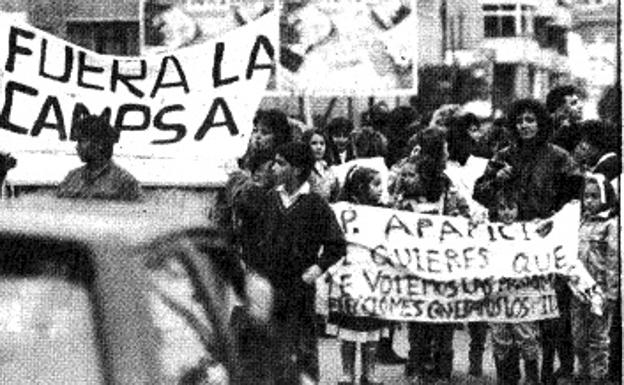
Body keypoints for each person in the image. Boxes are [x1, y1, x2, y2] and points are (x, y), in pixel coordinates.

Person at [473, 99, 582, 385]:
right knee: (507, 311)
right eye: (520, 120)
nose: (525, 125)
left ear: (541, 123)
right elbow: (479, 193)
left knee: (546, 313)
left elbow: (575, 196)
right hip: (509, 245)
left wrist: (555, 220)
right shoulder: (503, 155)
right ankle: (507, 375)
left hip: (543, 245)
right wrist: (496, 179)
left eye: (531, 120)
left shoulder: (559, 157)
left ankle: (543, 373)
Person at [247, 142, 346, 385]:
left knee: (302, 349)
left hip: (299, 289)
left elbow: (336, 244)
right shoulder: (269, 200)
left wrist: (315, 270)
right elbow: (254, 240)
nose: (274, 168)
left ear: (298, 169)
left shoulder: (316, 204)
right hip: (269, 287)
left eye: (281, 163)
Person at [393, 127, 469, 385]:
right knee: (429, 315)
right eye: (444, 147)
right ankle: (428, 364)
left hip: (433, 261)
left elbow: (462, 214)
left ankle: (430, 366)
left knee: (433, 315)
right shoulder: (413, 188)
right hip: (425, 262)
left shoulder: (442, 186)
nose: (448, 151)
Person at [330, 165, 385, 385]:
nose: (381, 190)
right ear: (361, 186)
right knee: (348, 330)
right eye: (375, 184)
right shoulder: (343, 210)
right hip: (349, 276)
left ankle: (369, 372)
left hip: (374, 279)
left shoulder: (384, 211)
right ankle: (347, 372)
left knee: (372, 329)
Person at [489, 188, 541, 385]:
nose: (507, 213)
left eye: (511, 208)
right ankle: (507, 378)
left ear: (519, 209)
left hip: (522, 294)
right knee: (500, 336)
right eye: (502, 208)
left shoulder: (527, 233)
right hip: (498, 293)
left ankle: (531, 378)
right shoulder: (489, 232)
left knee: (526, 336)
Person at [571, 173, 618, 385]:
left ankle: (598, 376)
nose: (588, 201)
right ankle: (583, 373)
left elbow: (614, 261)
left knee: (598, 339)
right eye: (586, 196)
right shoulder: (581, 222)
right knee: (578, 337)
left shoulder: (611, 225)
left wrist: (612, 292)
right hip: (579, 289)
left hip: (599, 291)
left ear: (605, 198)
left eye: (594, 196)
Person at [57, 115, 141, 201]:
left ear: (99, 144)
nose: (77, 147)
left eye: (82, 141)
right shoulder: (72, 178)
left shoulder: (125, 182)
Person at [301, 129, 340, 202]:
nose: (319, 147)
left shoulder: (328, 169)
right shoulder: (301, 169)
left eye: (322, 143)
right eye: (314, 143)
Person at [546, 85, 584, 153]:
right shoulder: (544, 130)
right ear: (559, 109)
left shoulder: (580, 130)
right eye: (573, 103)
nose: (580, 106)